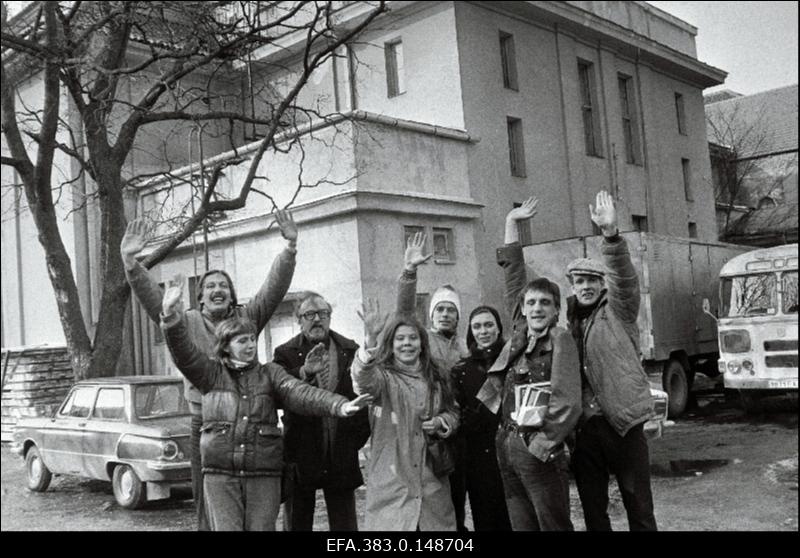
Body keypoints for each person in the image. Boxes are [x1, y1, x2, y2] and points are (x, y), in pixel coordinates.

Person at [120, 210, 297, 531]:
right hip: (205, 423)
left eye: (224, 286)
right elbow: (155, 301)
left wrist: (290, 249)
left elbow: (273, 290)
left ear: (232, 296)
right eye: (211, 286)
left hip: (250, 424)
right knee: (209, 506)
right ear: (199, 297)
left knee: (256, 511)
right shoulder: (186, 322)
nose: (218, 290)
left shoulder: (246, 319)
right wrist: (132, 264)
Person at [159, 281, 371, 531]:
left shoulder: (270, 374)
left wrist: (339, 406)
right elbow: (184, 353)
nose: (250, 346)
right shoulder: (210, 374)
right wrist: (171, 319)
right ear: (225, 346)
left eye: (251, 339)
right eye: (241, 341)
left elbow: (300, 393)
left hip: (263, 473)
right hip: (221, 474)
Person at [477, 197, 581, 531]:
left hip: (537, 449)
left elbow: (568, 401)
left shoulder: (560, 340)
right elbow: (513, 276)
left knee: (553, 525)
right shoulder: (519, 336)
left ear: (555, 311)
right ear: (523, 309)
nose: (537, 308)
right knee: (521, 526)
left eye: (545, 304)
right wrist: (511, 223)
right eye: (532, 302)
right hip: (507, 444)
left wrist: (541, 444)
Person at [566, 191, 658, 531]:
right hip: (586, 429)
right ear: (572, 286)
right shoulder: (569, 323)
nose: (586, 286)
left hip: (623, 424)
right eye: (579, 281)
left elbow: (624, 279)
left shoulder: (618, 310)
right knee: (593, 511)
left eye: (592, 280)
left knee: (639, 509)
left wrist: (610, 236)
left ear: (602, 284)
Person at [351, 299, 460, 531]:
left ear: (422, 343)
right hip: (393, 482)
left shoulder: (437, 377)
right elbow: (363, 382)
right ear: (391, 344)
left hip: (431, 481)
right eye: (400, 339)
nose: (407, 344)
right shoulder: (382, 377)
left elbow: (453, 412)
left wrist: (442, 422)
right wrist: (370, 339)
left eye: (413, 338)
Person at [273, 291, 370, 531]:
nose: (317, 319)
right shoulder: (285, 353)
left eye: (323, 313)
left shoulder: (349, 349)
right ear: (299, 319)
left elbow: (361, 395)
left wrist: (354, 440)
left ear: (330, 317)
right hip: (302, 453)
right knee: (297, 522)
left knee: (345, 526)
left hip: (340, 451)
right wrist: (304, 372)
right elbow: (277, 395)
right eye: (309, 314)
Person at [449, 305, 512, 531]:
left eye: (488, 325)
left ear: (498, 328)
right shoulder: (461, 370)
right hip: (478, 456)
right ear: (470, 331)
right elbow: (456, 413)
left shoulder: (512, 361)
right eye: (477, 326)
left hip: (511, 450)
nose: (483, 331)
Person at [397, 233, 469, 374]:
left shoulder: (464, 347)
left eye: (451, 310)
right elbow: (404, 315)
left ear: (458, 316)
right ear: (432, 315)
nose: (445, 314)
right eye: (440, 309)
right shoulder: (423, 340)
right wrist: (409, 272)